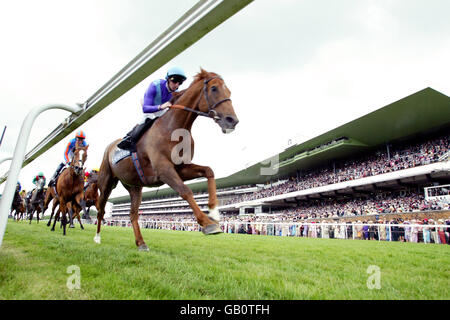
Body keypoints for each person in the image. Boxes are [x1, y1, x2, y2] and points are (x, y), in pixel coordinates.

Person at [117, 66, 187, 152]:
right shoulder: (155, 85)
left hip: (161, 109)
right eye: (174, 81)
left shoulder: (176, 93)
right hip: (148, 106)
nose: (176, 85)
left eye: (180, 83)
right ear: (168, 79)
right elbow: (145, 109)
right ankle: (129, 139)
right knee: (148, 118)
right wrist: (161, 106)